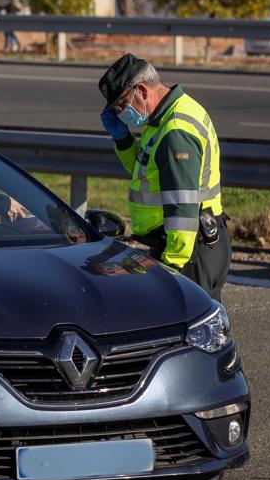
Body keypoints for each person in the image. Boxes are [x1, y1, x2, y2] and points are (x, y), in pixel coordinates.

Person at [98, 53, 229, 300]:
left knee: (189, 331)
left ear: (141, 91)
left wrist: (171, 269)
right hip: (195, 243)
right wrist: (122, 139)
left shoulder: (175, 131)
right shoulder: (164, 117)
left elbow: (183, 210)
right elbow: (146, 173)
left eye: (121, 104)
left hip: (188, 251)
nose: (120, 112)